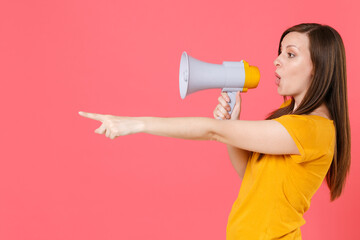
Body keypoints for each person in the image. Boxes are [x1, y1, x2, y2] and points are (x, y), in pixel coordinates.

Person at [79, 23, 351, 239]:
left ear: (320, 67)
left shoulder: (313, 130)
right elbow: (250, 176)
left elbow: (212, 131)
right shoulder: (290, 122)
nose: (277, 61)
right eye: (279, 52)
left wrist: (137, 123)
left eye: (290, 54)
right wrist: (233, 120)